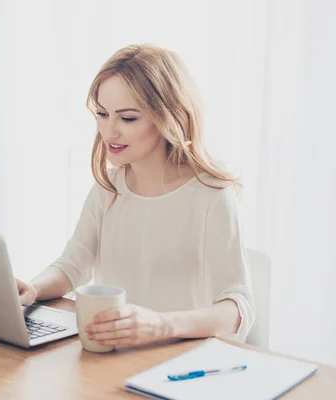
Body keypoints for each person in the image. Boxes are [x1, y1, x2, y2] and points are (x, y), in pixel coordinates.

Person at [16, 43, 255, 349]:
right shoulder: (109, 187)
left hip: (178, 365)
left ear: (169, 116)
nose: (109, 132)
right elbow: (72, 266)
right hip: (113, 358)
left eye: (127, 118)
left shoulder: (210, 195)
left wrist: (160, 324)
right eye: (102, 114)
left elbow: (238, 307)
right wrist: (32, 289)